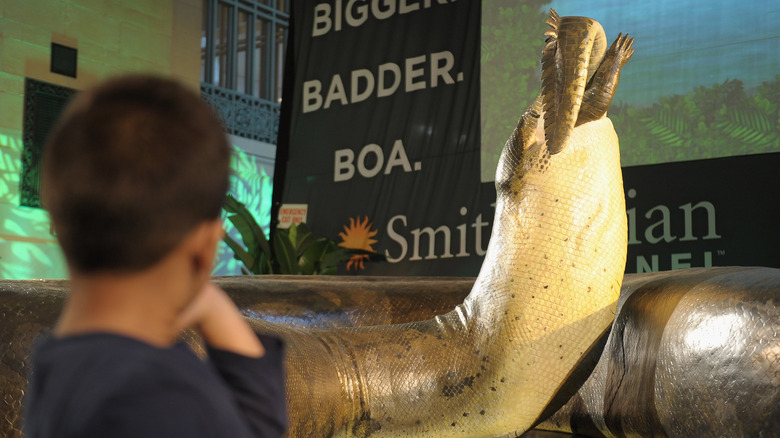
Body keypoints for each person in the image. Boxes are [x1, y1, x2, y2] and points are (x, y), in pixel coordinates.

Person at [23, 75, 287, 437]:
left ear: (57, 222)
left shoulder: (61, 364)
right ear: (204, 248)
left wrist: (210, 305)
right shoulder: (158, 400)